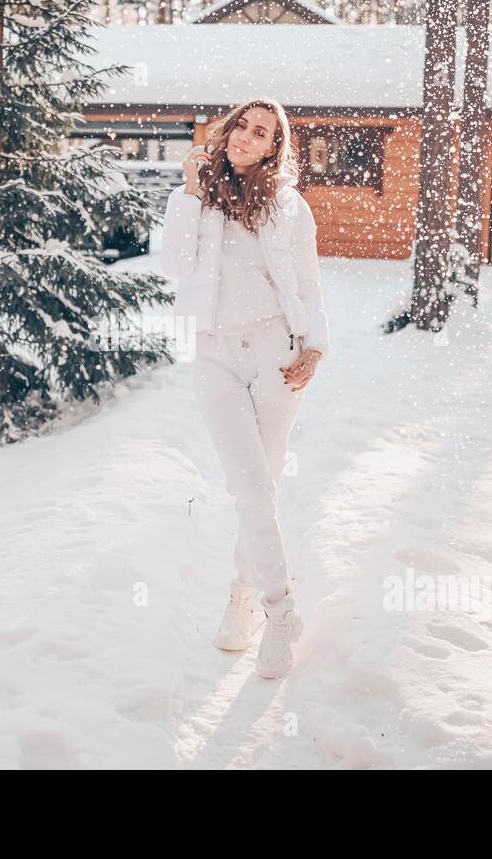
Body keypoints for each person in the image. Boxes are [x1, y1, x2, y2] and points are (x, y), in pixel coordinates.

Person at [159, 97, 331, 679]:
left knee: (262, 485)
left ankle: (241, 600)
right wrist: (186, 189)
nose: (248, 138)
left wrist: (315, 346)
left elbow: (308, 285)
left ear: (272, 148)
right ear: (229, 130)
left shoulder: (288, 207)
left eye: (263, 133)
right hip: (215, 353)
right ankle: (282, 610)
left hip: (276, 353)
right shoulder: (197, 197)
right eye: (243, 126)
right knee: (248, 483)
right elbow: (175, 263)